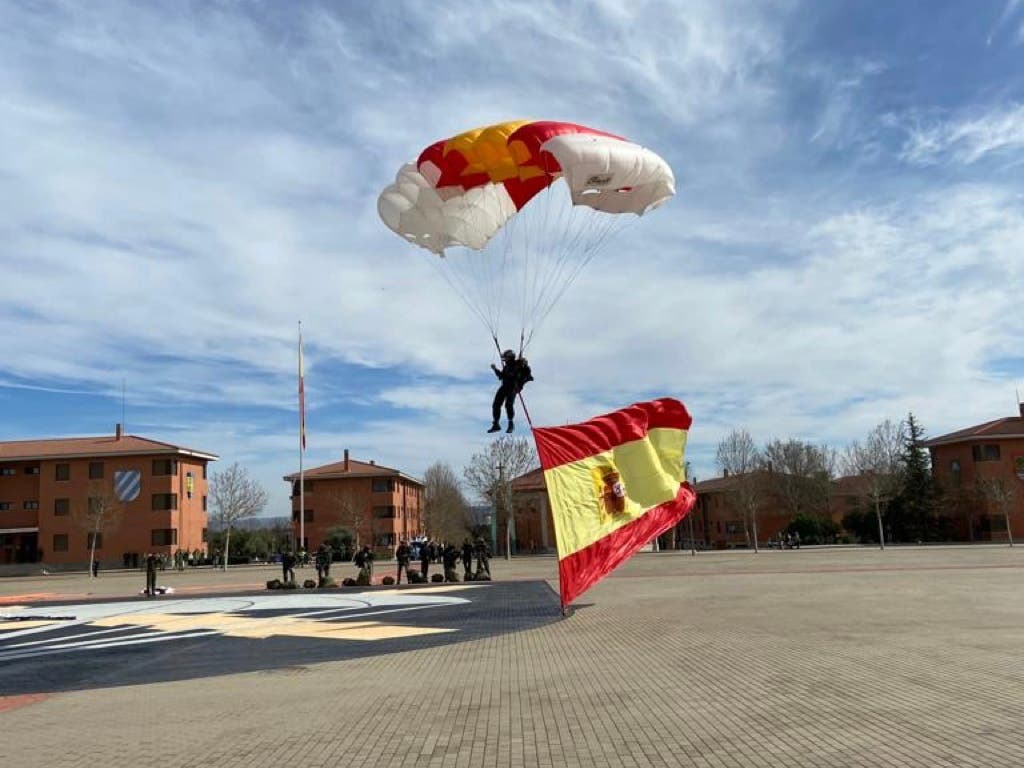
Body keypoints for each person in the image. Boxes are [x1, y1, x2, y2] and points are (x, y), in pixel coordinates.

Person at [487, 349, 533, 433]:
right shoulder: (506, 367)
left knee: (508, 404)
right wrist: (495, 369)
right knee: (496, 404)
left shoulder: (519, 364)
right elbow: (501, 376)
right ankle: (496, 424)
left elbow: (527, 372)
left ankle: (511, 424)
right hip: (504, 386)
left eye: (506, 357)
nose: (504, 359)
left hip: (513, 387)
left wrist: (526, 365)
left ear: (510, 357)